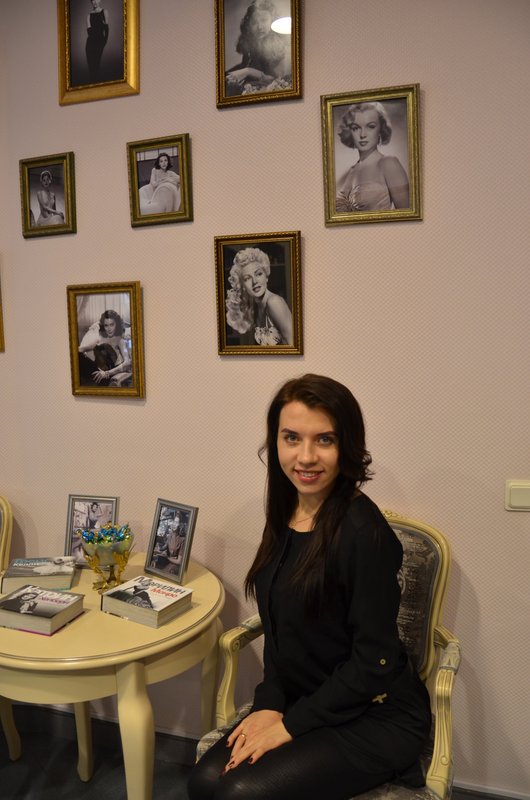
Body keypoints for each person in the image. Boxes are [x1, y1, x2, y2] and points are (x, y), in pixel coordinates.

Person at [188, 374, 432, 800]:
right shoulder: (288, 510)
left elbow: (373, 662)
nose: (305, 457)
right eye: (292, 438)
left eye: (324, 440)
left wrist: (289, 725)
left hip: (376, 714)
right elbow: (281, 631)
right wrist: (269, 702)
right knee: (205, 782)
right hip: (307, 697)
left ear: (347, 446)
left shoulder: (365, 534)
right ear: (275, 441)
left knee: (238, 793)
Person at [336, 102, 410, 212]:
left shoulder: (389, 164)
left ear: (380, 129)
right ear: (349, 131)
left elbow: (407, 215)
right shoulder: (347, 173)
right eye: (356, 128)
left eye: (371, 127)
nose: (362, 135)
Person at [226, 248, 292, 345]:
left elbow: (292, 345)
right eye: (247, 278)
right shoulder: (256, 307)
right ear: (242, 285)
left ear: (266, 276)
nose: (255, 281)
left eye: (259, 274)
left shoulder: (274, 302)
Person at [225, 0, 291, 96]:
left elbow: (279, 81)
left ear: (272, 20)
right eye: (254, 22)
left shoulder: (278, 46)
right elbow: (244, 66)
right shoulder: (253, 45)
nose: (259, 27)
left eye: (264, 20)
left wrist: (248, 71)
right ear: (248, 25)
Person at [78, 309, 132, 387]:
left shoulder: (119, 340)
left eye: (112, 325)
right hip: (97, 370)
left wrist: (107, 373)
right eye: (106, 325)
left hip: (108, 374)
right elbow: (82, 349)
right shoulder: (100, 338)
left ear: (116, 324)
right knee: (77, 354)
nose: (109, 328)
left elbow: (127, 362)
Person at [86, 0, 109, 84]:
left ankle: (97, 85)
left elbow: (106, 28)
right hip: (90, 43)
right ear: (91, 2)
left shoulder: (104, 12)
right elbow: (89, 32)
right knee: (91, 66)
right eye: (93, 0)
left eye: (96, 0)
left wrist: (104, 41)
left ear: (100, 0)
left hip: (99, 42)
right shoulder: (88, 15)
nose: (95, 2)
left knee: (96, 64)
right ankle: (93, 85)